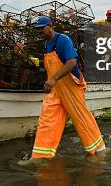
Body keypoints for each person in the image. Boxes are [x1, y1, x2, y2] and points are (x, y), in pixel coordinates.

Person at [27, 16, 106, 160]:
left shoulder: (62, 40)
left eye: (41, 28)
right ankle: (40, 158)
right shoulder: (46, 44)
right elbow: (52, 66)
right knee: (47, 119)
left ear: (50, 26)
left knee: (80, 118)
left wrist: (53, 79)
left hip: (72, 85)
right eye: (37, 30)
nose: (39, 32)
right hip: (56, 88)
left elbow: (71, 63)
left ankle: (98, 150)